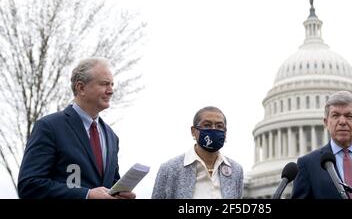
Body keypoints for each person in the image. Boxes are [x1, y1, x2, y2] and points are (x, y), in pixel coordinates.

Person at [18, 58, 135, 199]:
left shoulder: (111, 137)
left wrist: (120, 194)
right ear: (81, 88)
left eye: (111, 85)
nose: (110, 91)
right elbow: (29, 185)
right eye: (104, 84)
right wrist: (86, 195)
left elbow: (109, 185)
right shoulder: (49, 127)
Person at [151, 106, 243, 198]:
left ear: (225, 132)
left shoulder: (236, 170)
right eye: (207, 125)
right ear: (193, 131)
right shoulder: (169, 169)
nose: (214, 129)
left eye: (219, 126)